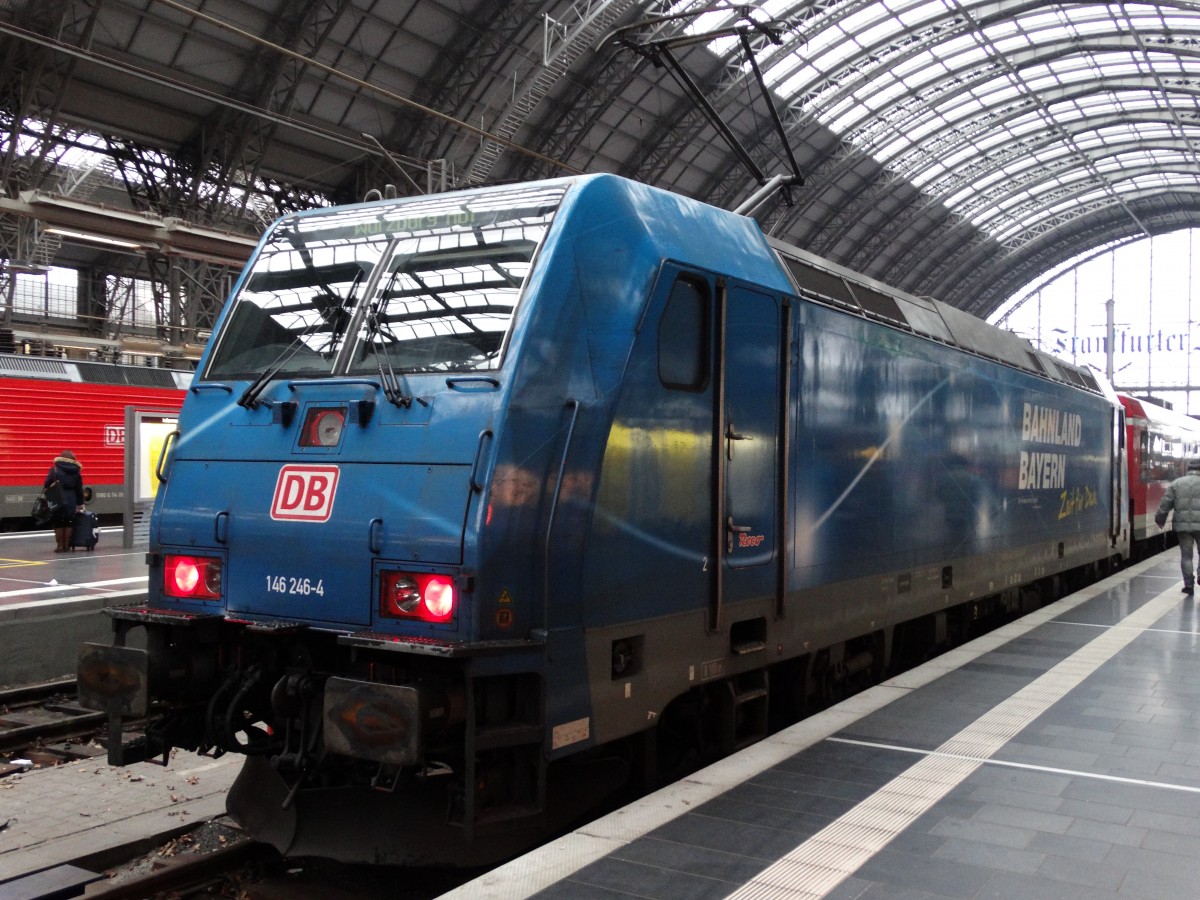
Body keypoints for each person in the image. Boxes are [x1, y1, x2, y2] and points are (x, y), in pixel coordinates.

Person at [1155, 459, 1200, 594]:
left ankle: (1189, 585)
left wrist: (1160, 519)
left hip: (1183, 526)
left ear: (1188, 469)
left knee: (1186, 556)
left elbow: (1165, 504)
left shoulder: (1177, 484)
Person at [44, 449, 85, 553]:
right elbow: (79, 489)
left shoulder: (55, 470)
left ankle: (59, 546)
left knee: (58, 522)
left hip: (57, 498)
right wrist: (80, 503)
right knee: (68, 522)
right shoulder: (76, 472)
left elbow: (47, 483)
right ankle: (67, 546)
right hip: (71, 499)